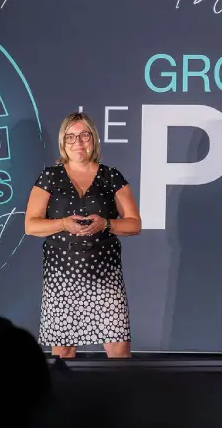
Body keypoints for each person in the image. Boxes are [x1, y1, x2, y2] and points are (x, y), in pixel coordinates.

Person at [24, 112, 141, 358]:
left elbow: (134, 224)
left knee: (118, 352)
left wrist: (106, 224)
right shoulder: (50, 177)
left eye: (84, 135)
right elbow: (31, 226)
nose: (78, 142)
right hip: (61, 278)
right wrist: (63, 224)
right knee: (63, 356)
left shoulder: (111, 176)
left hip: (105, 276)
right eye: (71, 137)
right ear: (63, 143)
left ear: (94, 139)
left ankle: (120, 397)